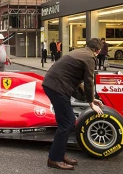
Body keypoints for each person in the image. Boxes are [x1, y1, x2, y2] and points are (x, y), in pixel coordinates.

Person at [42, 38, 104, 170]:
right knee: (67, 123)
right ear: (97, 51)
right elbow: (88, 81)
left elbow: (79, 81)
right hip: (57, 87)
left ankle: (59, 154)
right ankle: (54, 159)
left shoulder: (81, 52)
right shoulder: (90, 58)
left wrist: (91, 99)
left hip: (53, 85)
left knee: (67, 123)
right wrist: (91, 103)